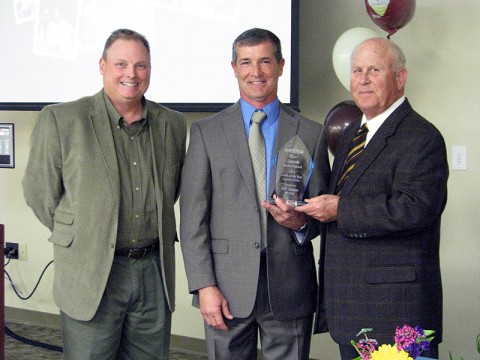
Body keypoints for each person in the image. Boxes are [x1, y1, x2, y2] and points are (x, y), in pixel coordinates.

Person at [23, 28, 186, 359]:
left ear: (150, 70)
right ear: (102, 65)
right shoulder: (62, 119)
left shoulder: (172, 124)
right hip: (91, 273)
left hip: (153, 271)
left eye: (141, 65)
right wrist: (80, 237)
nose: (131, 74)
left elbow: (172, 191)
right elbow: (39, 193)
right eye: (121, 64)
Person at [180, 28, 330, 359]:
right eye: (246, 62)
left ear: (281, 65)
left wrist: (299, 223)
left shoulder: (311, 133)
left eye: (265, 61)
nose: (256, 72)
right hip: (225, 288)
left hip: (290, 287)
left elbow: (323, 215)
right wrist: (204, 286)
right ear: (234, 67)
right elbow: (192, 220)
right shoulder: (206, 133)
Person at [296, 37, 448, 359]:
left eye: (374, 69)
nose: (362, 79)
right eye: (357, 70)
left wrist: (339, 209)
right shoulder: (352, 133)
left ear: (400, 77)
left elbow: (415, 209)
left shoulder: (423, 137)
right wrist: (300, 215)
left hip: (398, 314)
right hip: (352, 310)